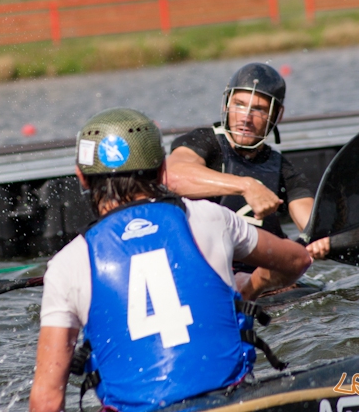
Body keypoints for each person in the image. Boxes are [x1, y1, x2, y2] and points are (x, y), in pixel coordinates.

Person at [29, 108, 312, 412]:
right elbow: (297, 261)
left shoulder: (66, 265)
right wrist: (250, 286)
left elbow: (47, 400)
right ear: (163, 171)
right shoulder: (211, 217)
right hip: (228, 402)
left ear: (82, 178)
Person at [165, 62, 330, 259]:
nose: (246, 118)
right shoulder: (203, 141)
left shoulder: (282, 169)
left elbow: (311, 221)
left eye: (258, 109)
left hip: (263, 275)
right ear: (227, 104)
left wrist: (321, 238)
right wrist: (247, 186)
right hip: (210, 267)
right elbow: (172, 177)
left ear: (277, 115)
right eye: (239, 105)